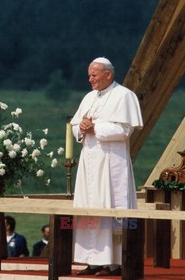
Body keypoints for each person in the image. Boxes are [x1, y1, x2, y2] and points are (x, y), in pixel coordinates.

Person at [71, 57, 143, 277]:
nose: (90, 79)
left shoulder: (124, 95)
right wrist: (82, 127)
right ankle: (92, 261)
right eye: (89, 75)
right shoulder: (89, 97)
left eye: (94, 75)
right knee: (88, 208)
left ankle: (115, 262)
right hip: (89, 162)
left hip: (112, 164)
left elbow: (125, 130)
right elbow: (75, 126)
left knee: (111, 207)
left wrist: (95, 127)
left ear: (108, 74)